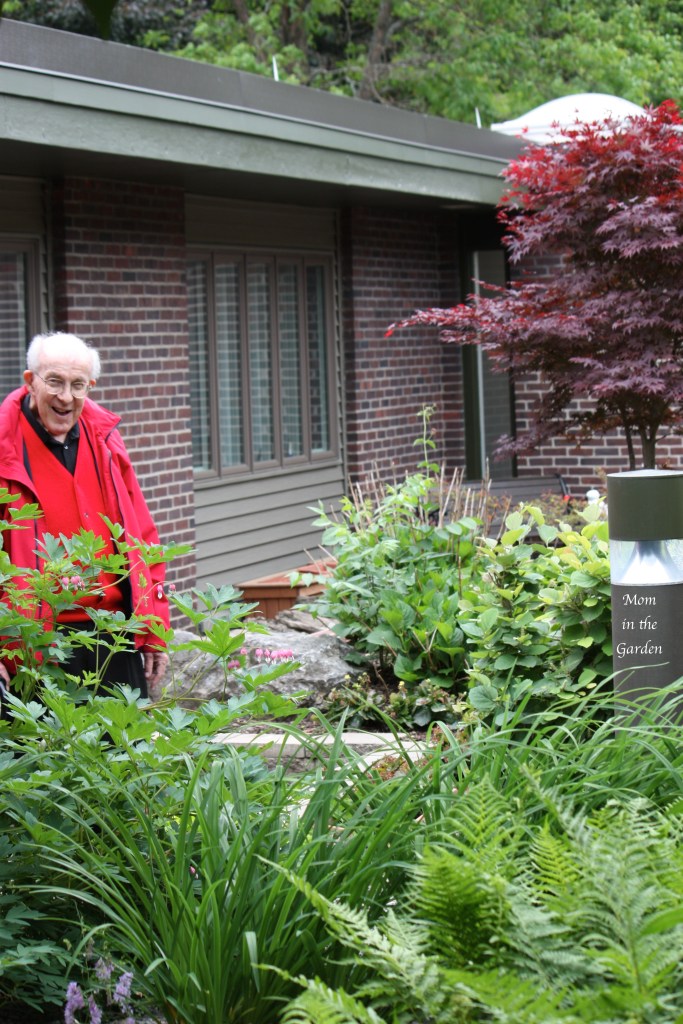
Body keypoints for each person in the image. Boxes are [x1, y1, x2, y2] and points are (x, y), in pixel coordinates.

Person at [0, 332, 170, 702]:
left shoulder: (106, 440)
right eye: (54, 382)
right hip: (33, 645)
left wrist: (154, 625)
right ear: (30, 381)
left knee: (125, 741)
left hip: (115, 636)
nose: (66, 397)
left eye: (78, 385)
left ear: (89, 387)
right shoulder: (4, 445)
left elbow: (143, 535)